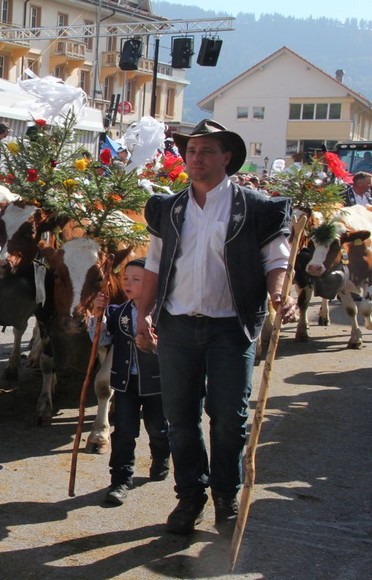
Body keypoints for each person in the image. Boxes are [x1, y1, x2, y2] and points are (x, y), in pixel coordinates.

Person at [135, 119, 296, 535]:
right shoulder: (169, 208)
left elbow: (277, 259)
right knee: (180, 418)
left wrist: (280, 294)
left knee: (229, 417)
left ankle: (225, 494)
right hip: (177, 326)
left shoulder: (257, 208)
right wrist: (144, 313)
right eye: (191, 151)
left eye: (207, 151)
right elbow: (154, 264)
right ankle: (190, 496)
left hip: (231, 328)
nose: (197, 158)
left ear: (227, 158)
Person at [88, 258, 170, 506]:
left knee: (158, 427)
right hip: (125, 383)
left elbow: (178, 349)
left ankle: (161, 456)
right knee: (123, 432)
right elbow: (100, 341)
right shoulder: (118, 312)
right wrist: (97, 315)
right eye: (126, 279)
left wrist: (156, 347)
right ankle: (120, 480)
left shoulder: (164, 313)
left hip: (156, 383)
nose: (129, 284)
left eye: (137, 280)